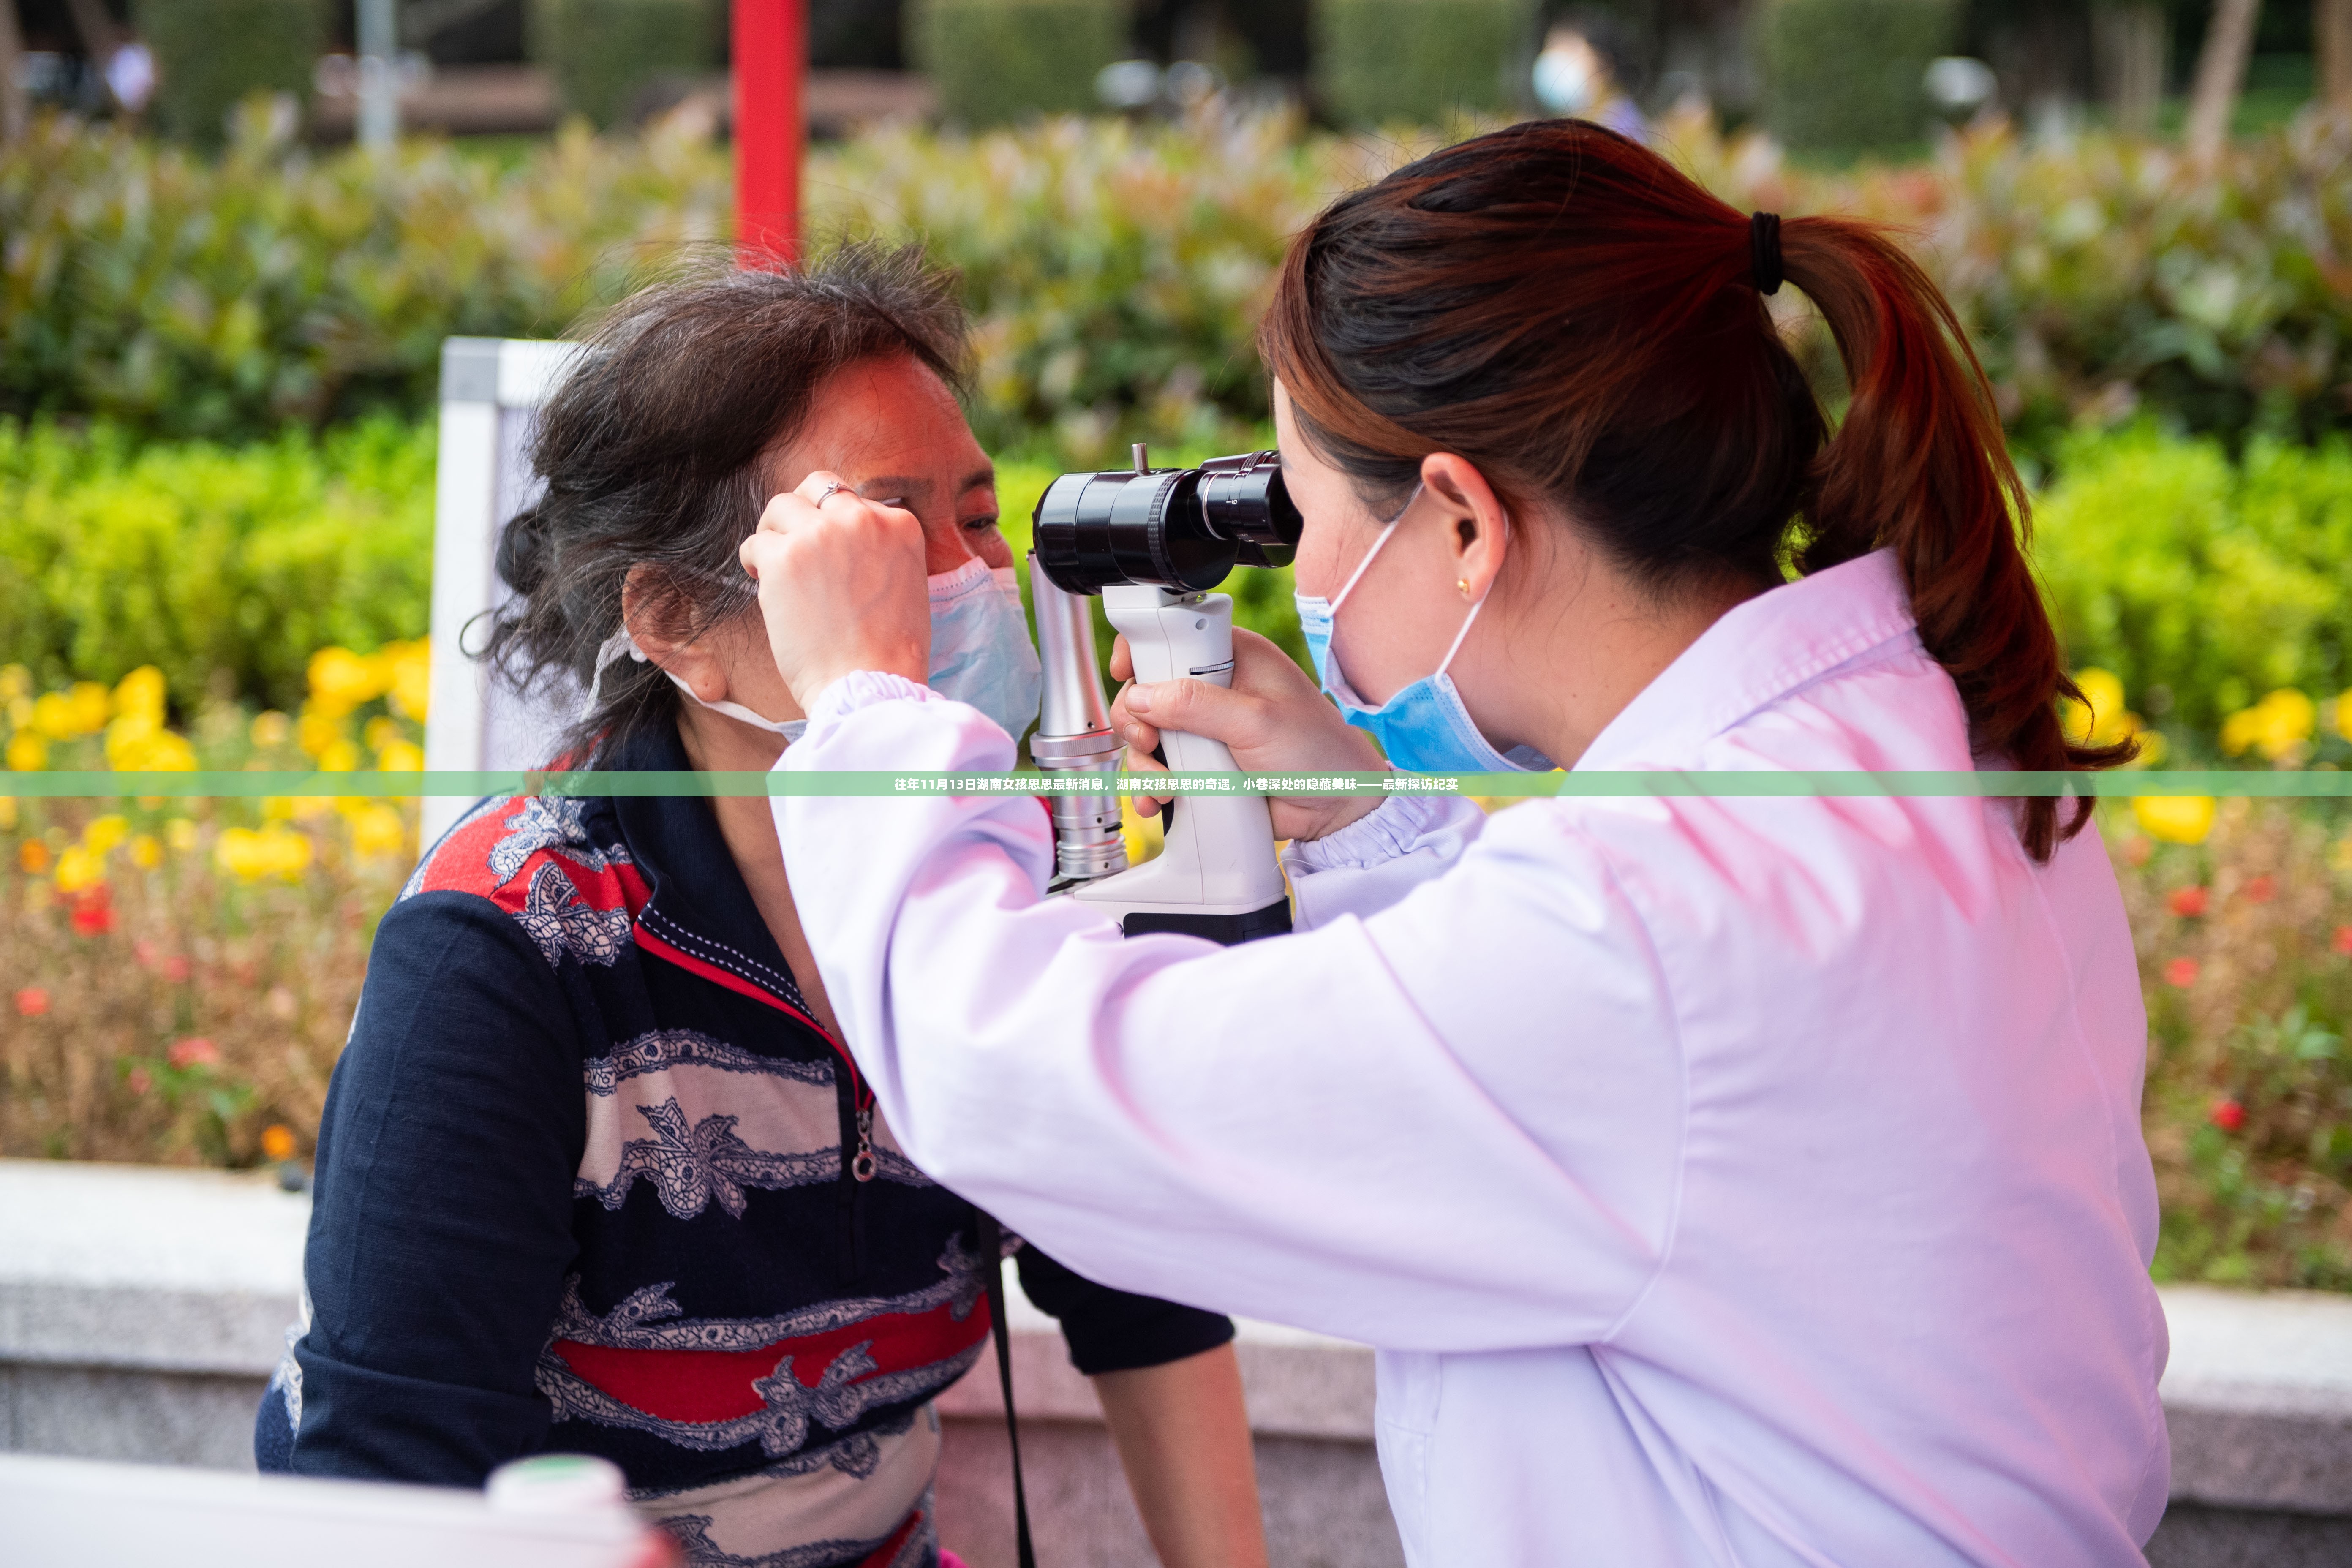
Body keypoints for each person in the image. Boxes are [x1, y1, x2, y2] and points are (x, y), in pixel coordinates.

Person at [740, 121, 2170, 1565]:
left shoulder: (1652, 925)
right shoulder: (1923, 740)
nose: (1294, 575)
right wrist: (1371, 818)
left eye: (1301, 514)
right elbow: (1613, 1128)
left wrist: (872, 708)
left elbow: (1029, 1084)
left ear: (1466, 521)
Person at [255, 248, 1271, 1568]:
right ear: (678, 623)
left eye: (977, 517)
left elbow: (1142, 1290)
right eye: (876, 540)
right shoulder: (508, 948)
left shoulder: (1003, 867)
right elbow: (388, 1466)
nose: (963, 579)